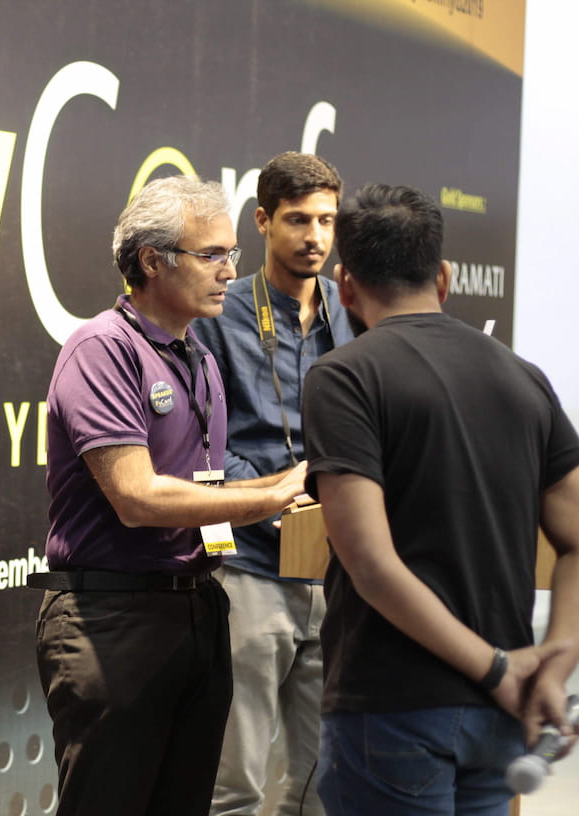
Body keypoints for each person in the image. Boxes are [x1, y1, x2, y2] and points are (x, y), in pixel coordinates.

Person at [300, 183, 579, 815]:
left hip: (394, 707)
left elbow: (370, 563)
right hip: (499, 718)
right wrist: (547, 670)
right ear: (444, 278)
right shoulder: (522, 377)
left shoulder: (344, 376)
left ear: (345, 286)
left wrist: (501, 670)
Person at [31, 175, 308, 816]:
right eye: (211, 255)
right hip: (114, 621)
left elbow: (203, 484)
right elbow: (139, 498)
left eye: (231, 254)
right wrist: (266, 500)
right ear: (153, 261)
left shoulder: (198, 359)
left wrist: (289, 486)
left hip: (199, 608)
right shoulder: (103, 349)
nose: (229, 271)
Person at [192, 151, 349, 816]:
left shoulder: (354, 310)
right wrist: (266, 500)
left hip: (342, 573)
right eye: (296, 220)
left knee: (321, 782)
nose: (314, 236)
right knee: (234, 784)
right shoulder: (219, 314)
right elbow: (200, 446)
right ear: (260, 221)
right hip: (251, 570)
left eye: (325, 220)